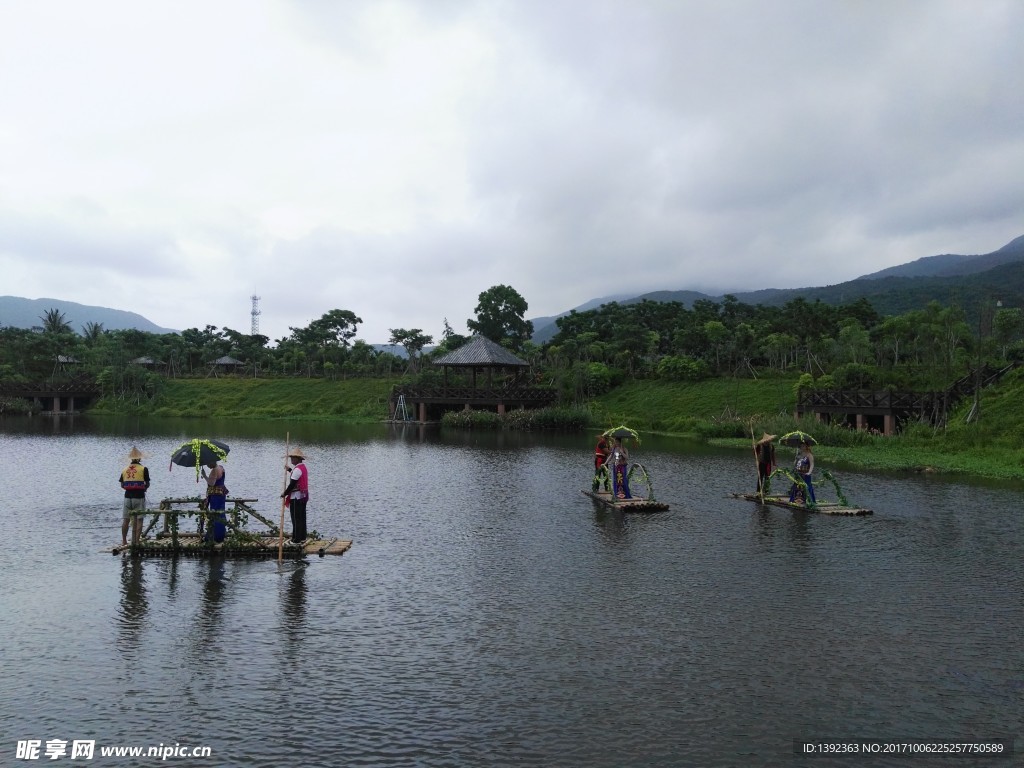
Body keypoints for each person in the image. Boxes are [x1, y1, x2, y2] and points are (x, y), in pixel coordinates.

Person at [119, 446, 150, 545]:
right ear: (140, 458)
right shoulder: (143, 469)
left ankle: (124, 541)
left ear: (131, 459)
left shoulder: (125, 469)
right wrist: (144, 488)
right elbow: (147, 483)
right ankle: (136, 541)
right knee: (139, 519)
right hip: (139, 497)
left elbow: (122, 485)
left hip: (127, 497)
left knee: (126, 520)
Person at [281, 448, 309, 543]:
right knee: (301, 517)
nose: (291, 459)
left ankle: (296, 538)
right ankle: (302, 537)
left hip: (296, 497)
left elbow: (292, 484)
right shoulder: (302, 467)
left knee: (296, 519)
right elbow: (296, 475)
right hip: (302, 497)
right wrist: (289, 470)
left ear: (298, 459)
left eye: (293, 458)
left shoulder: (297, 469)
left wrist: (284, 493)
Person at [201, 458, 228, 543]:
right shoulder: (221, 467)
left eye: (208, 464)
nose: (207, 466)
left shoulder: (214, 470)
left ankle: (213, 536)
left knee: (214, 514)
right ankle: (221, 535)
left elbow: (211, 483)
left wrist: (204, 475)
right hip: (221, 494)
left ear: (211, 462)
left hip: (215, 496)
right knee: (221, 513)